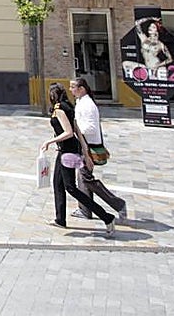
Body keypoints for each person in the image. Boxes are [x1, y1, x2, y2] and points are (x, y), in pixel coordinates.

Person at [41, 82, 115, 236]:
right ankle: (60, 219)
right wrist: (85, 152)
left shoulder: (60, 109)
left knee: (71, 187)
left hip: (67, 151)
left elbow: (69, 132)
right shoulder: (68, 106)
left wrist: (49, 142)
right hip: (66, 149)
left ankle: (107, 217)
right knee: (57, 184)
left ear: (52, 95)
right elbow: (77, 131)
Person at [70, 77, 128, 223]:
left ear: (81, 88)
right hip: (84, 144)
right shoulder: (81, 102)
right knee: (82, 179)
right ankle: (85, 209)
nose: (71, 90)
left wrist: (74, 129)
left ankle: (118, 204)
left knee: (86, 179)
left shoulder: (87, 105)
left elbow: (91, 128)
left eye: (73, 87)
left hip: (88, 146)